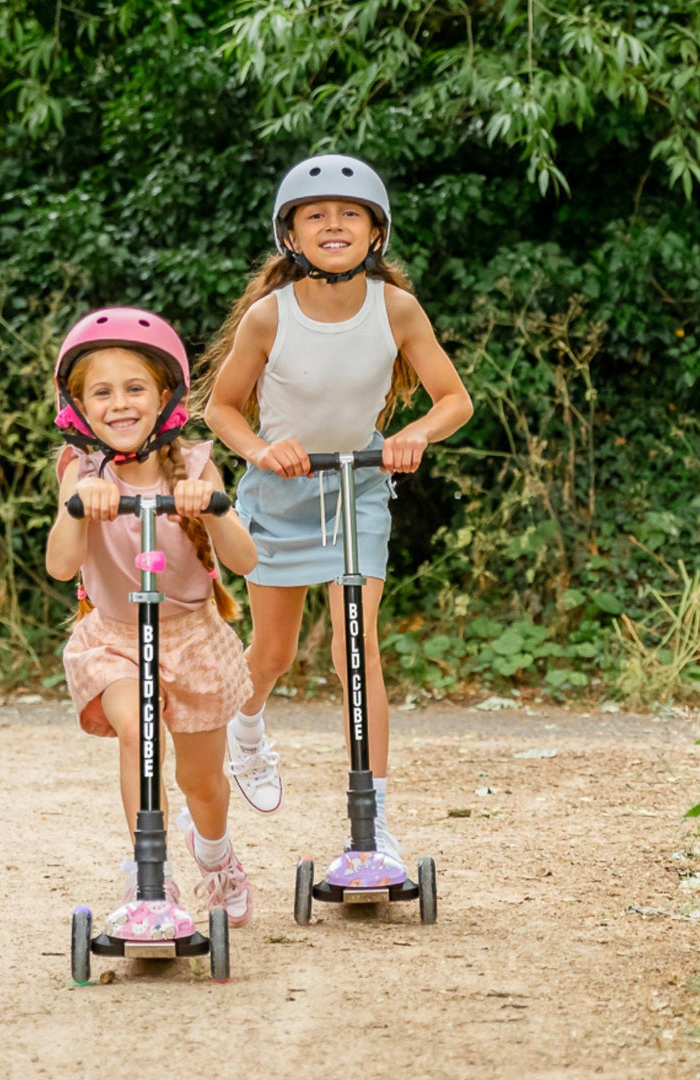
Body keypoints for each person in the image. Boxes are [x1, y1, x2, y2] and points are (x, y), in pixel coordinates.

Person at [198, 153, 474, 863]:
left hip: (357, 486)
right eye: (315, 214)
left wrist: (412, 434)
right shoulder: (269, 316)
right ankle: (248, 729)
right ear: (290, 234)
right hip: (280, 492)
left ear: (375, 234)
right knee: (275, 652)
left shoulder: (396, 308)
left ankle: (373, 818)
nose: (333, 224)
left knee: (356, 646)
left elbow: (455, 400)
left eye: (349, 214)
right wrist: (261, 451)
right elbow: (220, 408)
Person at [46, 307, 258, 926]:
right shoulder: (79, 469)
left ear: (164, 396)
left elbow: (243, 559)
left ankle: (215, 857)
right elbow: (62, 566)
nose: (118, 403)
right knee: (139, 727)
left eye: (134, 388)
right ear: (79, 406)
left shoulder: (193, 464)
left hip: (192, 638)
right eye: (101, 392)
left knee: (203, 783)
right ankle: (151, 875)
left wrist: (214, 506)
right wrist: (78, 510)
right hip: (114, 639)